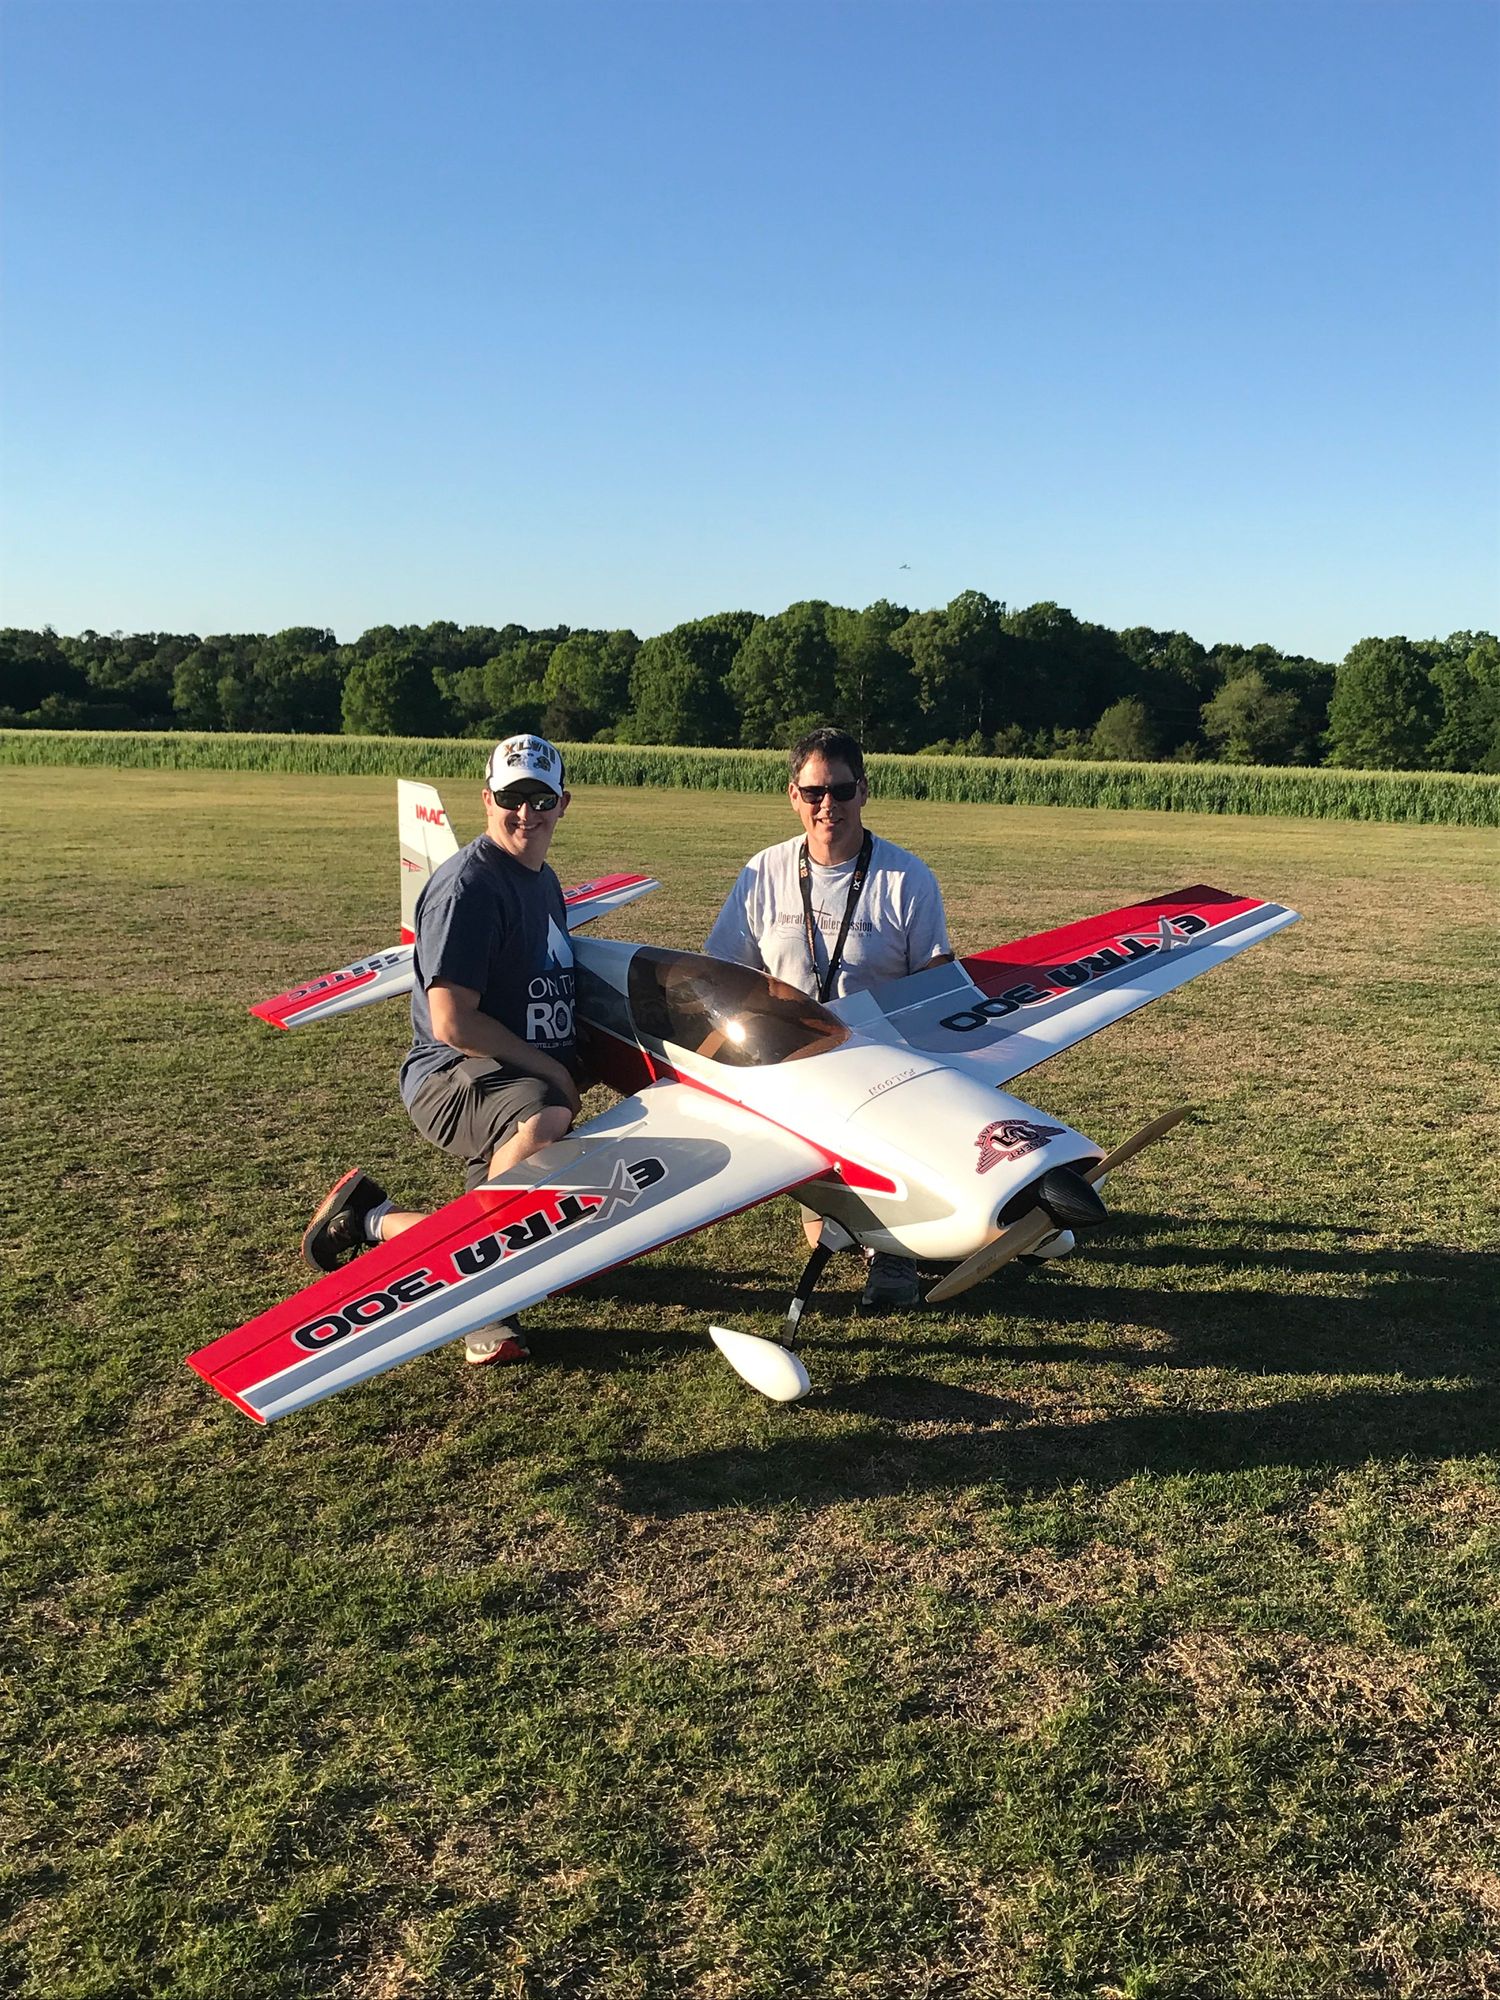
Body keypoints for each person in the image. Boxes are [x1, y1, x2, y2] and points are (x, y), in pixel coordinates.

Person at [299, 733, 580, 1366]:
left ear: (563, 804)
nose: (526, 813)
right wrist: (553, 1071)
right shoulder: (469, 888)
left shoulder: (542, 878)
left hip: (505, 1074)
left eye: (541, 799)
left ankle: (370, 1218)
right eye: (511, 798)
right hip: (451, 1073)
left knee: (515, 1208)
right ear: (487, 799)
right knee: (543, 1117)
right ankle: (480, 1293)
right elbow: (452, 1022)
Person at [705, 725, 952, 1311]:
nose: (828, 806)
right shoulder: (763, 872)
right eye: (814, 792)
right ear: (794, 795)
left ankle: (895, 1252)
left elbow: (939, 981)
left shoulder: (906, 878)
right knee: (824, 1230)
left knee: (861, 1205)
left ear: (863, 791)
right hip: (795, 1067)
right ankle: (856, 1218)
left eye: (841, 791)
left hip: (885, 1066)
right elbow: (723, 973)